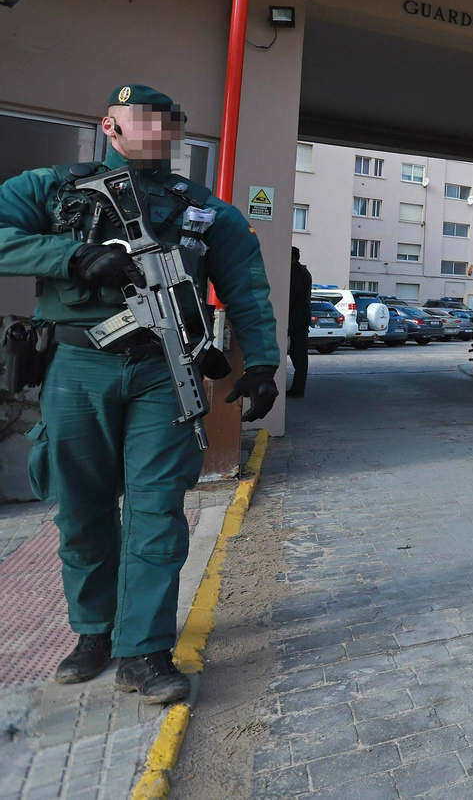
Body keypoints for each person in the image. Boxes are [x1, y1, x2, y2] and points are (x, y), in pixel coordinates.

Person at [0, 84, 279, 703]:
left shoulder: (207, 211)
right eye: (138, 120)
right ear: (109, 126)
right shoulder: (51, 187)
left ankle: (144, 649)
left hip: (162, 372)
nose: (152, 130)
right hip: (77, 365)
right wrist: (72, 256)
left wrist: (262, 364)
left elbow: (248, 291)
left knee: (156, 516)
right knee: (81, 510)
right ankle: (93, 633)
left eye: (163, 122)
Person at [286, 246, 312, 397]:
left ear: (293, 257)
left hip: (295, 316)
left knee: (298, 354)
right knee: (300, 353)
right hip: (302, 316)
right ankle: (298, 388)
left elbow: (291, 295)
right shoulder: (304, 272)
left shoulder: (295, 272)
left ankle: (297, 389)